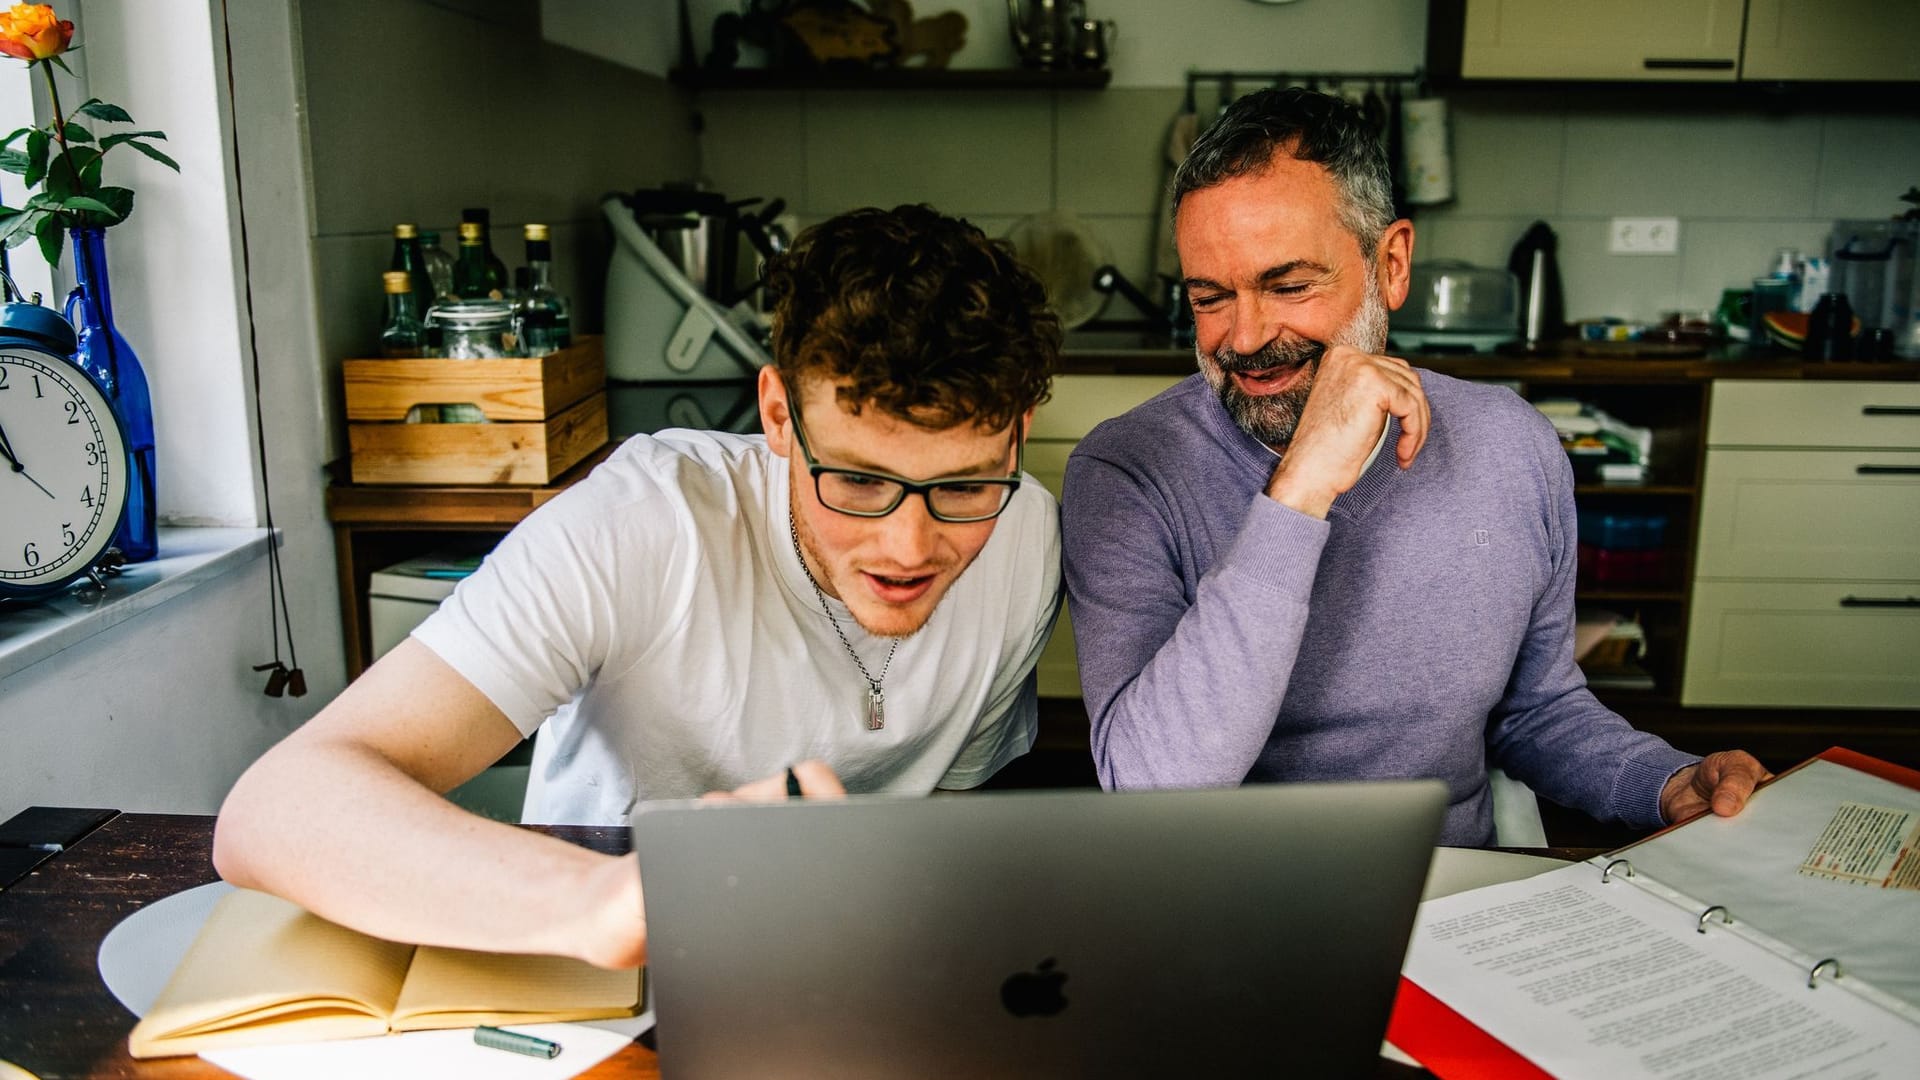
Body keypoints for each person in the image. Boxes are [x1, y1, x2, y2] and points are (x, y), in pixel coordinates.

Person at [215, 205, 1064, 969]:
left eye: (963, 486)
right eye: (859, 482)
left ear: (1018, 437)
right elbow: (275, 807)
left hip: (862, 964)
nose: (911, 547)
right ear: (777, 416)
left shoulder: (1027, 539)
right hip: (588, 968)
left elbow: (953, 810)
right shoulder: (645, 523)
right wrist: (609, 902)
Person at [1060, 88, 1766, 846]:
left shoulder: (1512, 446)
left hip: (1450, 894)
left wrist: (1661, 784)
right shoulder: (1125, 471)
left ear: (1390, 265)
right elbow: (1149, 785)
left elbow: (1534, 711)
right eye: (1208, 297)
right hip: (1231, 908)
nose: (1245, 336)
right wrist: (1298, 491)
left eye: (1290, 286)